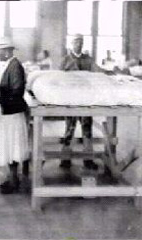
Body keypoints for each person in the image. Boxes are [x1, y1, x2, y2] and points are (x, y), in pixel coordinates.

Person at [60, 34, 105, 170]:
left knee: (87, 129)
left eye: (81, 42)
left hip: (85, 100)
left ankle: (88, 160)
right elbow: (58, 78)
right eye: (76, 42)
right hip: (71, 100)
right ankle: (65, 158)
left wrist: (110, 72)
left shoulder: (88, 60)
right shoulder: (65, 60)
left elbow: (98, 71)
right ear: (71, 44)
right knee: (69, 128)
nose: (78, 45)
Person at [0, 38, 29, 194]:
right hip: (6, 112)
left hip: (12, 114)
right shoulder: (8, 65)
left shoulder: (15, 67)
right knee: (9, 148)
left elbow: (17, 92)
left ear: (7, 51)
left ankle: (14, 181)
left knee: (12, 148)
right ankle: (12, 178)